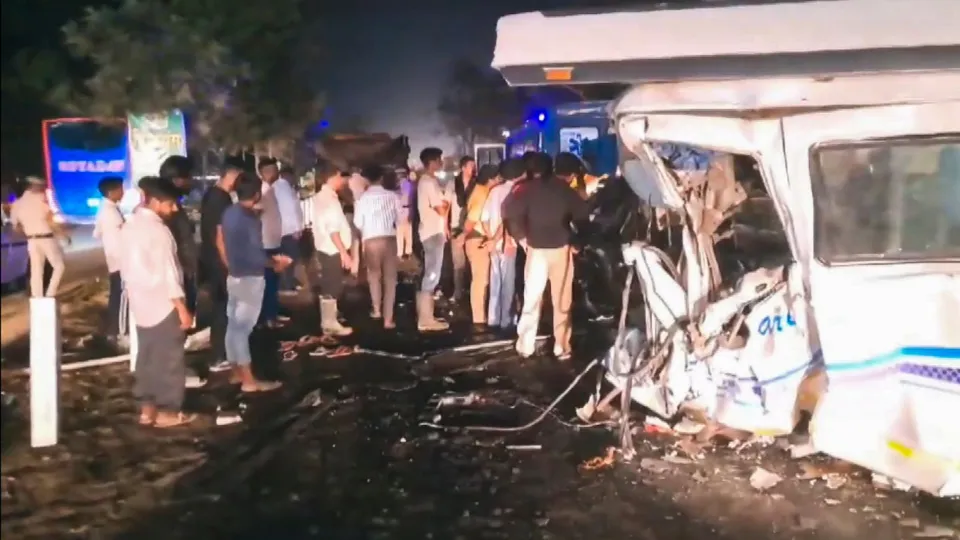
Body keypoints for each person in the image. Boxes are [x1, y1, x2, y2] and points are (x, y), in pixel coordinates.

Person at [119, 176, 196, 428]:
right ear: (154, 201)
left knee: (147, 357)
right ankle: (168, 411)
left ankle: (147, 409)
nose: (174, 209)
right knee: (170, 359)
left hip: (140, 304)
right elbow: (169, 274)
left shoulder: (129, 226)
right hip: (164, 303)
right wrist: (182, 308)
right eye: (170, 204)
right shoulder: (158, 231)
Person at [505, 153, 588, 360]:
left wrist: (521, 238)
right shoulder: (565, 190)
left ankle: (526, 345)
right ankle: (561, 347)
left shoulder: (526, 189)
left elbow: (510, 213)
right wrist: (577, 242)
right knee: (561, 300)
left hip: (535, 249)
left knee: (532, 298)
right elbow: (583, 217)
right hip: (561, 248)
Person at [221, 172, 289, 392]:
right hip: (251, 278)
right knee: (242, 329)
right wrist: (276, 263)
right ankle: (249, 382)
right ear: (257, 194)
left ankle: (235, 373)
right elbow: (255, 254)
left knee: (232, 326)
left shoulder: (229, 213)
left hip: (234, 275)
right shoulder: (250, 220)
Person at [198, 161, 243, 373]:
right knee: (223, 310)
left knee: (222, 307)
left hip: (211, 259)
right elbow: (220, 235)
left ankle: (222, 352)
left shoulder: (211, 195)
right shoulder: (220, 199)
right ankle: (219, 356)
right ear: (231, 175)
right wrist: (228, 264)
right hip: (220, 262)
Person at [311, 160, 355, 337]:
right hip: (332, 249)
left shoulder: (322, 196)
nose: (341, 179)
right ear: (331, 177)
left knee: (329, 285)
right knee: (333, 286)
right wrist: (344, 253)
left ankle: (330, 319)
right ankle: (329, 324)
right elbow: (333, 230)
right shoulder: (329, 199)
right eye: (338, 176)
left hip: (325, 248)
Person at [353, 165, 399, 329]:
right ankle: (388, 320)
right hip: (389, 238)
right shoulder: (392, 196)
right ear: (381, 178)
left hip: (371, 240)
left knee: (374, 276)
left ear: (366, 179)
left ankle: (376, 310)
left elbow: (358, 223)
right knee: (390, 280)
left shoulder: (362, 199)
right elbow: (400, 218)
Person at [481, 158, 525, 331]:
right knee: (508, 284)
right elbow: (507, 221)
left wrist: (490, 238)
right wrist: (498, 239)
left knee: (495, 281)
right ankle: (505, 320)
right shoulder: (515, 192)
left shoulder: (494, 191)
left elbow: (484, 219)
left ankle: (493, 318)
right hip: (508, 243)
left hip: (494, 245)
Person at [9, 175, 67, 297]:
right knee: (59, 266)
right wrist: (63, 235)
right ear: (34, 186)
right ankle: (50, 294)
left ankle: (37, 297)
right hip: (46, 238)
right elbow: (50, 220)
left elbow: (16, 227)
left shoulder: (17, 203)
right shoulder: (42, 199)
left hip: (31, 240)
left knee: (36, 271)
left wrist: (29, 232)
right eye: (41, 186)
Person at [415, 147, 451, 331]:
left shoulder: (428, 181)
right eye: (440, 159)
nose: (442, 162)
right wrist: (446, 203)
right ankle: (425, 319)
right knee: (431, 275)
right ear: (432, 162)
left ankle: (426, 316)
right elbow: (442, 209)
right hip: (432, 232)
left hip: (432, 231)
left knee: (431, 273)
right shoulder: (429, 182)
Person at [158, 156, 199, 315]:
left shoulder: (176, 205)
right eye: (189, 177)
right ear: (176, 179)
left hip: (184, 272)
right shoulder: (166, 210)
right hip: (176, 277)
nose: (192, 181)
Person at [462, 163, 496, 326]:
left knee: (481, 279)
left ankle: (480, 315)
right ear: (491, 179)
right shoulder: (482, 193)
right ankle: (478, 318)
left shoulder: (480, 190)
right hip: (477, 240)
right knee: (480, 280)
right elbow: (471, 221)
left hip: (475, 239)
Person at [93, 176, 126, 344]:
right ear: (112, 192)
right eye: (121, 189)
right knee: (120, 296)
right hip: (120, 260)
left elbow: (97, 233)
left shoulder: (105, 209)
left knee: (117, 294)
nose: (123, 192)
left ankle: (113, 329)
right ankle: (116, 330)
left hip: (114, 259)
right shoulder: (111, 212)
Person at [256, 157, 284, 327]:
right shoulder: (262, 191)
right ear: (264, 172)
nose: (276, 172)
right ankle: (268, 318)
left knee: (272, 281)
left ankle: (271, 315)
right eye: (272, 169)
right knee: (268, 282)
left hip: (272, 242)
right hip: (265, 244)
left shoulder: (269, 190)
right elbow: (255, 213)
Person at [448, 156, 476, 302]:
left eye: (474, 166)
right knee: (458, 263)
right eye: (471, 166)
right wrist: (445, 226)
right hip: (455, 227)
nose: (473, 169)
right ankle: (458, 291)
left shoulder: (476, 184)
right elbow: (446, 205)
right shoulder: (452, 183)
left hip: (472, 227)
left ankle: (472, 292)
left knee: (473, 262)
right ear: (463, 168)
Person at [274, 165, 305, 292]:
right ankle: (286, 284)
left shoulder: (282, 187)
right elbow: (290, 210)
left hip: (284, 230)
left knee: (288, 257)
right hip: (288, 230)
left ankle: (288, 282)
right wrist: (296, 228)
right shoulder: (283, 188)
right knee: (290, 257)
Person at [396, 170, 416, 259]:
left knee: (400, 232)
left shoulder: (400, 185)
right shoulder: (408, 184)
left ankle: (401, 253)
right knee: (407, 231)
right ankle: (407, 252)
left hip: (401, 209)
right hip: (406, 208)